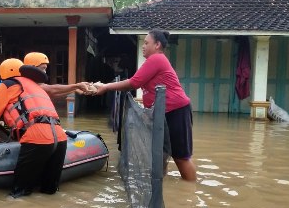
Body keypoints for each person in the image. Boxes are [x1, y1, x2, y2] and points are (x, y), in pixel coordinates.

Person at [95, 29, 196, 181]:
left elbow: (134, 82)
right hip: (163, 113)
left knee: (181, 157)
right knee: (160, 154)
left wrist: (105, 86)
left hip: (176, 111)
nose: (143, 46)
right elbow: (150, 88)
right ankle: (160, 186)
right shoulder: (154, 61)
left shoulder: (157, 59)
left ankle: (190, 193)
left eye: (147, 43)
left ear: (157, 45)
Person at [0, 58, 67, 198]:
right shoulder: (36, 86)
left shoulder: (6, 85)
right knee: (50, 192)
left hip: (37, 138)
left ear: (2, 75)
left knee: (19, 196)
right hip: (60, 139)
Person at [22, 52, 92, 98]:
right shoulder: (25, 83)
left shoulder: (37, 84)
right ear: (32, 69)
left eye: (45, 69)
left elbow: (53, 93)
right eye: (42, 68)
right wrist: (77, 86)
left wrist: (75, 89)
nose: (44, 72)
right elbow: (51, 90)